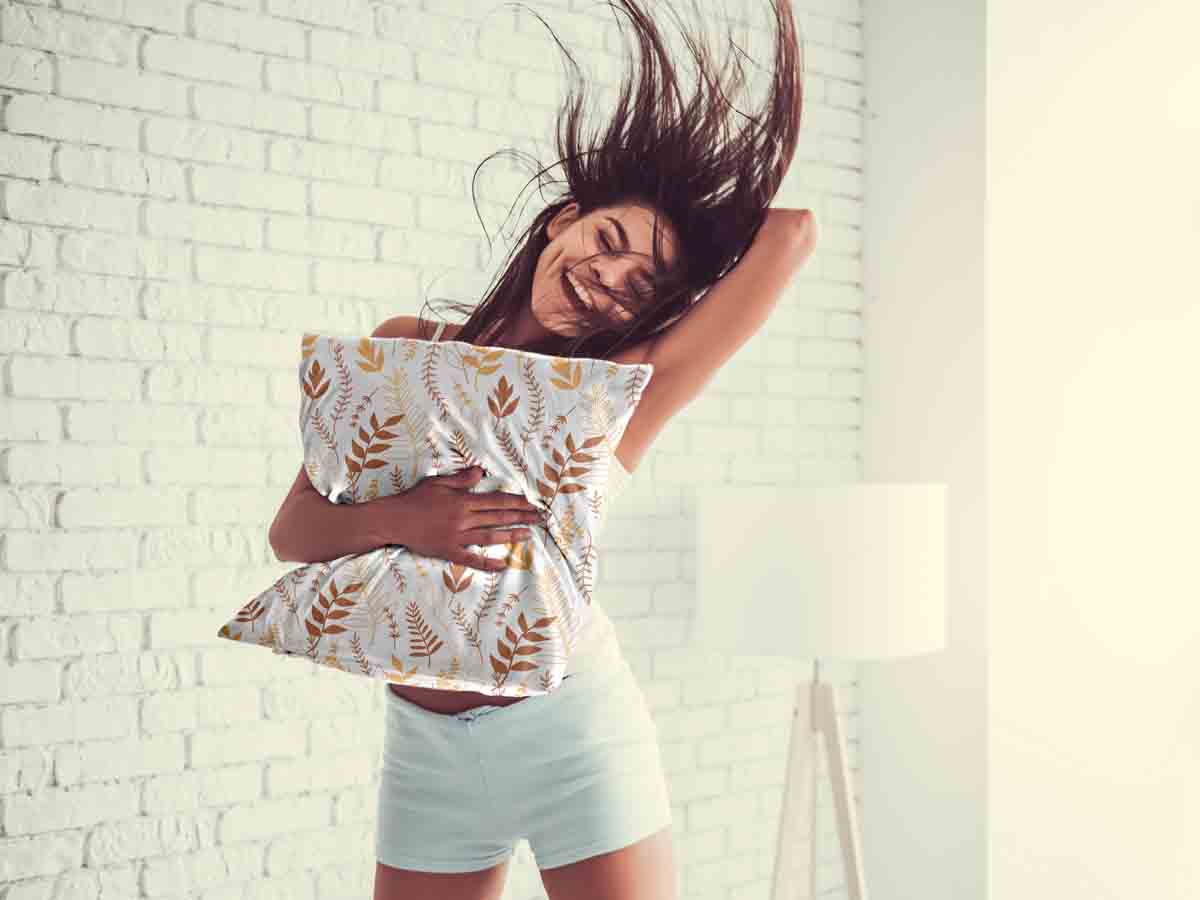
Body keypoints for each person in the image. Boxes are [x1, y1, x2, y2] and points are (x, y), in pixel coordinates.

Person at [269, 1, 816, 897]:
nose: (608, 277)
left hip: (573, 737)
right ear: (563, 220)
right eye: (607, 241)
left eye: (640, 284)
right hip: (423, 748)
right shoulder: (407, 348)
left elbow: (793, 234)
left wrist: (704, 222)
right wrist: (410, 518)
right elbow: (292, 532)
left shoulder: (615, 395)